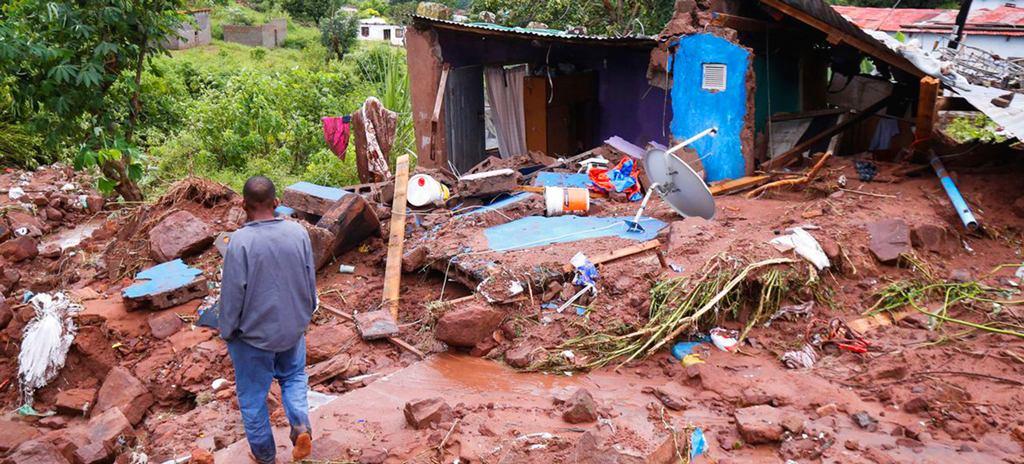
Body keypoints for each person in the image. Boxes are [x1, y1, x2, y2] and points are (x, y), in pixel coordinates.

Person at [220, 175, 317, 463]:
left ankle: (265, 456)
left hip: (253, 337)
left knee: (252, 396)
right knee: (294, 377)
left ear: (243, 205)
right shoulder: (298, 233)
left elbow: (233, 294)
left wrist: (228, 331)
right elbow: (309, 280)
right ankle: (300, 426)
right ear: (276, 203)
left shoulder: (239, 242)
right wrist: (304, 316)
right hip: (292, 328)